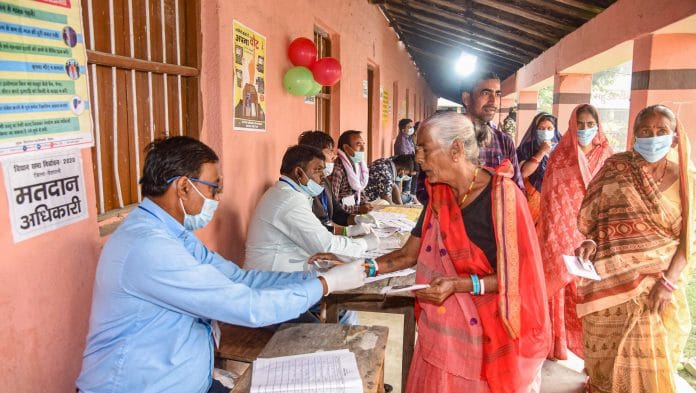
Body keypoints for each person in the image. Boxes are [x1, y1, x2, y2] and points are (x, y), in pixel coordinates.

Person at [76, 136, 366, 393]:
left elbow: (241, 279)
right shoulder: (149, 247)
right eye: (214, 188)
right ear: (183, 187)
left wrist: (313, 279)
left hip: (191, 381)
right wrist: (327, 284)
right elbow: (247, 307)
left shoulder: (173, 234)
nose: (217, 198)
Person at [367, 112, 550, 392]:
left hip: (487, 339)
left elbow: (518, 279)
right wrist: (358, 268)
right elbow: (407, 255)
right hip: (441, 336)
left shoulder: (503, 199)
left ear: (456, 150)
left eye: (425, 149)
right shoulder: (438, 195)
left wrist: (460, 284)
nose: (417, 158)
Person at [574, 105, 694, 393]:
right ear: (634, 136)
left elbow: (688, 240)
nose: (653, 138)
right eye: (645, 131)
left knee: (648, 358)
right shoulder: (616, 168)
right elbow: (593, 219)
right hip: (608, 281)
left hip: (657, 285)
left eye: (661, 132)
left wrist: (667, 283)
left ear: (675, 138)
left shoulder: (687, 181)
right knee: (608, 355)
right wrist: (590, 242)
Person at [537, 104, 613, 360]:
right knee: (559, 285)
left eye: (590, 124)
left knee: (589, 291)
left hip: (594, 235)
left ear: (598, 125)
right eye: (580, 124)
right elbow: (552, 198)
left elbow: (611, 194)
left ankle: (589, 351)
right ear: (571, 125)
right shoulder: (561, 155)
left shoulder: (608, 156)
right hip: (561, 233)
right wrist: (560, 232)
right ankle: (556, 344)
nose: (585, 129)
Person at [244, 144, 379, 274]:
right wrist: (364, 243)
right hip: (272, 278)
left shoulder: (289, 193)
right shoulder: (290, 200)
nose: (323, 176)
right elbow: (327, 246)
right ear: (299, 172)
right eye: (317, 170)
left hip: (284, 269)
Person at [415, 71, 523, 203]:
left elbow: (517, 188)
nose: (493, 100)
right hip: (448, 218)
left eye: (497, 94)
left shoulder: (504, 142)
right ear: (466, 98)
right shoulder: (442, 137)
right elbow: (422, 190)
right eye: (486, 93)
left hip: (491, 220)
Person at [297, 131, 373, 235]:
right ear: (314, 154)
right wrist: (347, 231)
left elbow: (336, 212)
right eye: (330, 152)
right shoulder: (301, 189)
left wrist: (356, 219)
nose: (334, 156)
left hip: (327, 234)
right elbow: (311, 230)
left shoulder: (325, 180)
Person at [515, 112, 561, 224]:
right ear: (535, 130)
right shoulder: (526, 148)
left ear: (555, 130)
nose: (546, 132)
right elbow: (524, 173)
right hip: (531, 198)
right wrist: (541, 152)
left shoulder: (562, 149)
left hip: (555, 199)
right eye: (541, 128)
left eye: (549, 128)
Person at [329, 130, 373, 214]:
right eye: (358, 144)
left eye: (363, 144)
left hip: (354, 208)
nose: (363, 149)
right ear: (346, 148)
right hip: (341, 215)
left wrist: (365, 203)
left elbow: (359, 189)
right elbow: (332, 204)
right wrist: (358, 209)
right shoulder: (337, 170)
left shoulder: (358, 165)